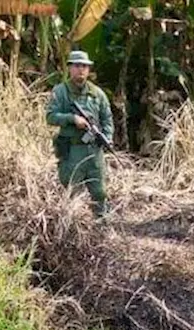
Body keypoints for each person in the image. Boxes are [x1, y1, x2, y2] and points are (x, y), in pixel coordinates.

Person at [45, 50, 114, 218]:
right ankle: (71, 230)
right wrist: (72, 118)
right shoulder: (60, 92)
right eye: (76, 66)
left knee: (100, 193)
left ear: (88, 70)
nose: (80, 70)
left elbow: (107, 119)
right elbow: (50, 117)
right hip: (72, 151)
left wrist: (107, 137)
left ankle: (102, 227)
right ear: (69, 68)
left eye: (84, 66)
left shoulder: (97, 94)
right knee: (71, 193)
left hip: (94, 151)